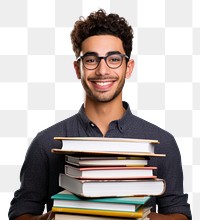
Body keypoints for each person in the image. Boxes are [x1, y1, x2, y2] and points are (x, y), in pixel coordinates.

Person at [8, 9, 192, 220]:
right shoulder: (46, 142)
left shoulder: (162, 143)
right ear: (78, 69)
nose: (102, 70)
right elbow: (20, 214)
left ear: (128, 67)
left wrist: (141, 217)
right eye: (91, 60)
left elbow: (180, 214)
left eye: (113, 59)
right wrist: (54, 218)